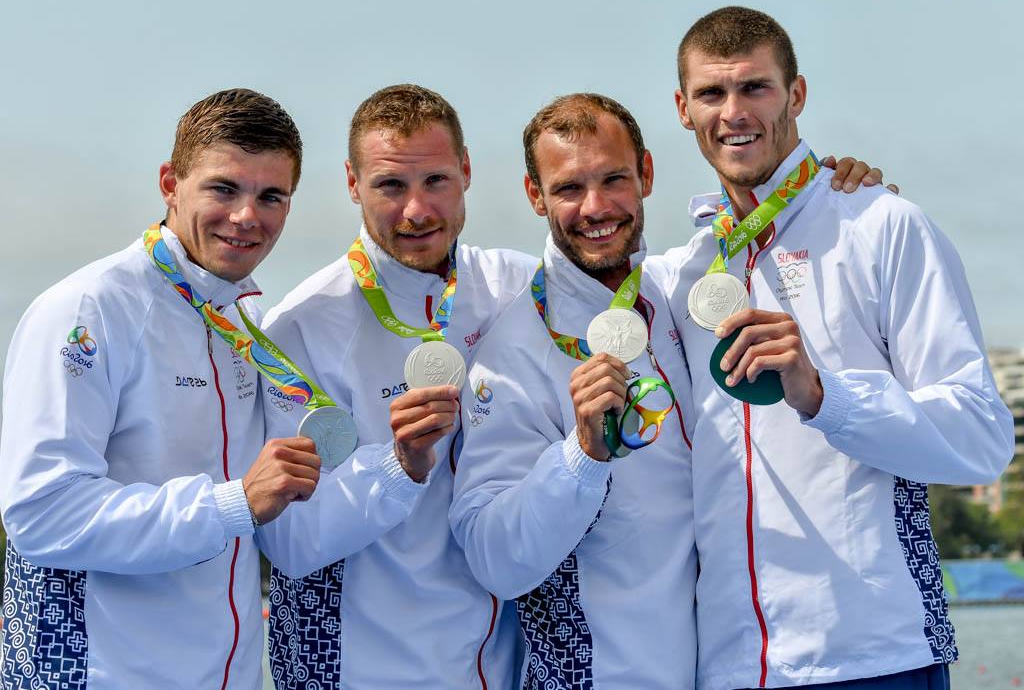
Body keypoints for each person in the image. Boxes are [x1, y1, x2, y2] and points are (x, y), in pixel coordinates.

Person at [667, 6, 1015, 690]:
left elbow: (982, 436)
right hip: (730, 666)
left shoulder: (882, 225)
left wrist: (824, 394)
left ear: (796, 95)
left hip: (871, 657)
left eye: (755, 87)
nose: (733, 112)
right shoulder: (683, 271)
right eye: (712, 92)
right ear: (683, 108)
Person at [0, 89, 323, 688]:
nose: (247, 216)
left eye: (271, 196)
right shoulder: (87, 308)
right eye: (224, 188)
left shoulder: (239, 323)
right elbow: (41, 514)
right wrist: (233, 503)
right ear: (170, 184)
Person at [258, 84, 537, 689]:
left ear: (466, 171)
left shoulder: (519, 286)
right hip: (364, 669)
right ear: (353, 184)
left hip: (501, 666)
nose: (416, 210)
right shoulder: (300, 327)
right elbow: (289, 542)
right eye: (390, 186)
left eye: (435, 180)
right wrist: (399, 467)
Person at [449, 92, 701, 688]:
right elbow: (493, 559)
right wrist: (580, 458)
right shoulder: (511, 352)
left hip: (723, 667)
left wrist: (841, 196)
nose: (595, 208)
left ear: (646, 173)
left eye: (613, 178)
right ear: (535, 196)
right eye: (567, 188)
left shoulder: (678, 293)